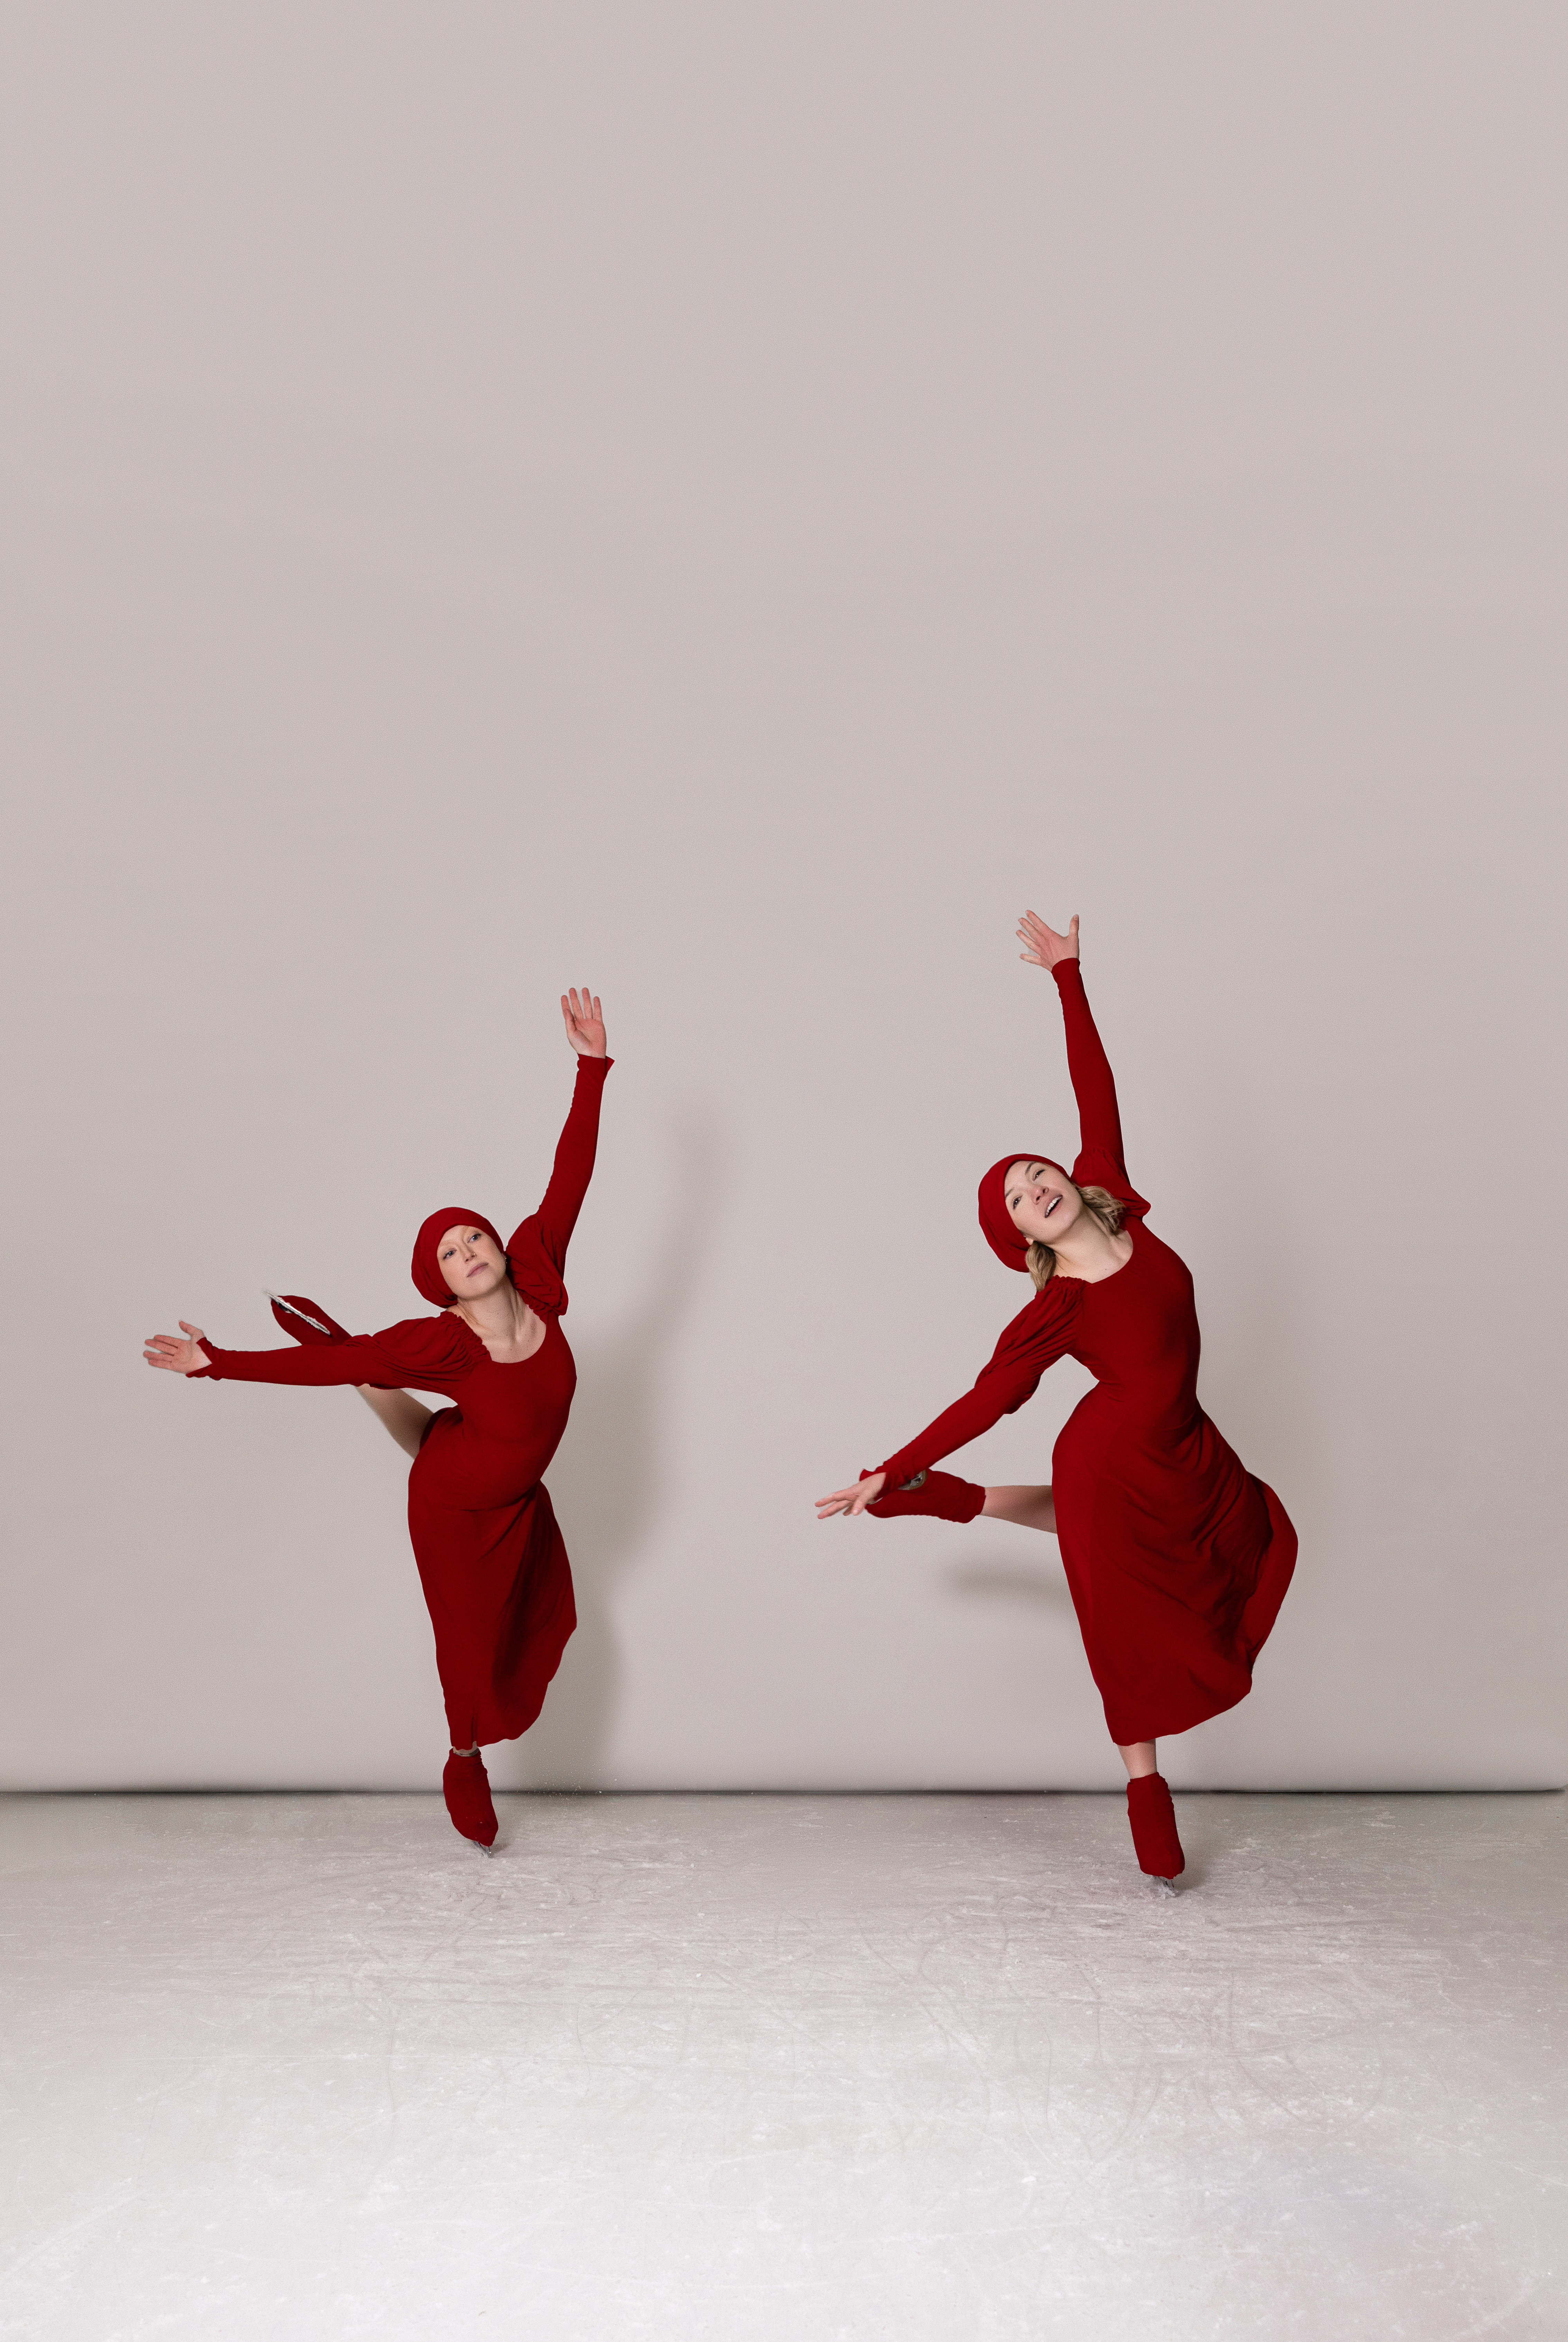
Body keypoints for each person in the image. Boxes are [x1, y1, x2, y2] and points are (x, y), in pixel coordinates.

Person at [816, 916, 1296, 1889]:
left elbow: (1094, 1089)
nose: (1037, 1184)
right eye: (1020, 1196)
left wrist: (1067, 977)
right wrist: (888, 1461)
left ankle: (942, 1498)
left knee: (1257, 1539)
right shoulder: (1058, 1309)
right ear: (1018, 1238)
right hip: (1109, 1454)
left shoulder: (1112, 1191)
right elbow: (983, 1397)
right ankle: (1143, 1785)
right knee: (1114, 1608)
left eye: (1037, 1172)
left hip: (1185, 1448)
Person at [144, 989, 612, 1854]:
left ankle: (357, 1353)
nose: (468, 1251)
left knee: (541, 1614)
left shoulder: (541, 1273)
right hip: (453, 1505)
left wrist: (589, 1067)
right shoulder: (443, 1341)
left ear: (502, 1249)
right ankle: (461, 1755)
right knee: (468, 1647)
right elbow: (318, 1372)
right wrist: (221, 1362)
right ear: (439, 1282)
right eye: (448, 1252)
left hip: (514, 1492)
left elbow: (571, 1174)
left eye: (473, 1237)